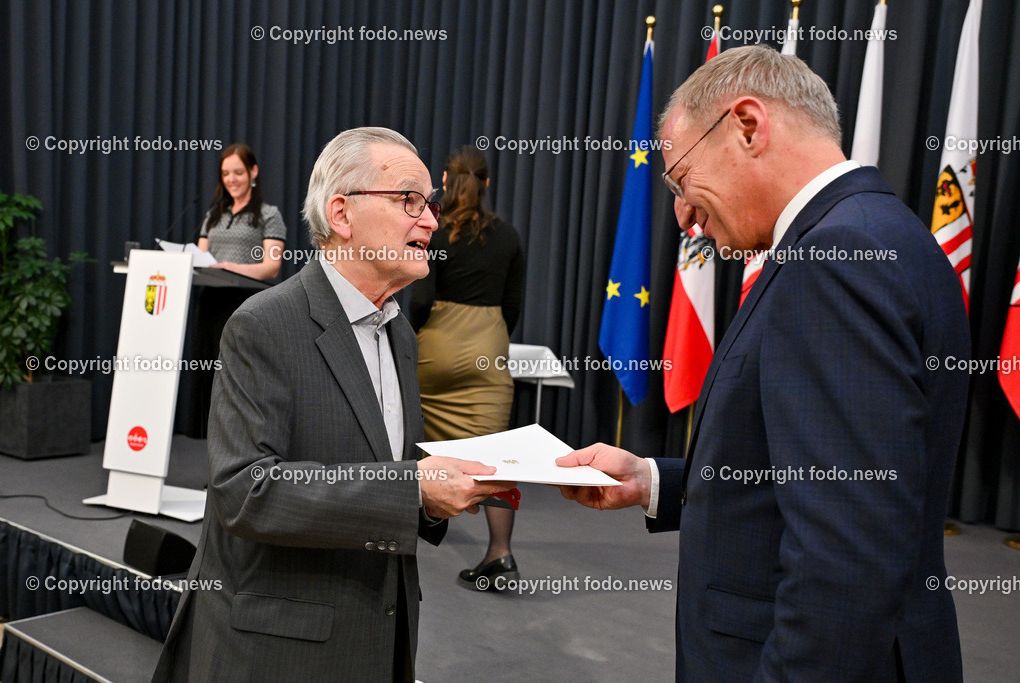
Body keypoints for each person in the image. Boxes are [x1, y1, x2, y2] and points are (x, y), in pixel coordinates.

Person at [557, 46, 970, 681]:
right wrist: (651, 480)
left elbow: (845, 559)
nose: (683, 214)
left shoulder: (833, 260)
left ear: (747, 126)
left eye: (681, 177)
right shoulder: (880, 233)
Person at [153, 127, 515, 682]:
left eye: (431, 203)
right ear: (341, 215)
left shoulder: (401, 334)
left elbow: (383, 473)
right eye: (409, 201)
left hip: (379, 641)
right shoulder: (262, 325)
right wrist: (414, 487)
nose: (431, 221)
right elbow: (244, 491)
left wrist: (432, 500)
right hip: (277, 655)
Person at [409, 145, 526, 589]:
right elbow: (513, 306)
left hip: (436, 349)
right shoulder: (509, 236)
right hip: (487, 348)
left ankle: (402, 533)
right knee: (497, 456)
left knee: (413, 441)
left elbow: (419, 299)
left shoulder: (434, 233)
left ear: (444, 178)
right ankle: (500, 555)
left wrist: (417, 336)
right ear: (487, 184)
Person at [186, 143, 286, 438]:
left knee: (239, 381)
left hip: (245, 306)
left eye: (238, 172)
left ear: (253, 172)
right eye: (226, 173)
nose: (231, 179)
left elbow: (271, 266)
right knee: (210, 379)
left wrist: (231, 267)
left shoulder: (269, 214)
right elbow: (201, 258)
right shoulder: (214, 214)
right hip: (211, 303)